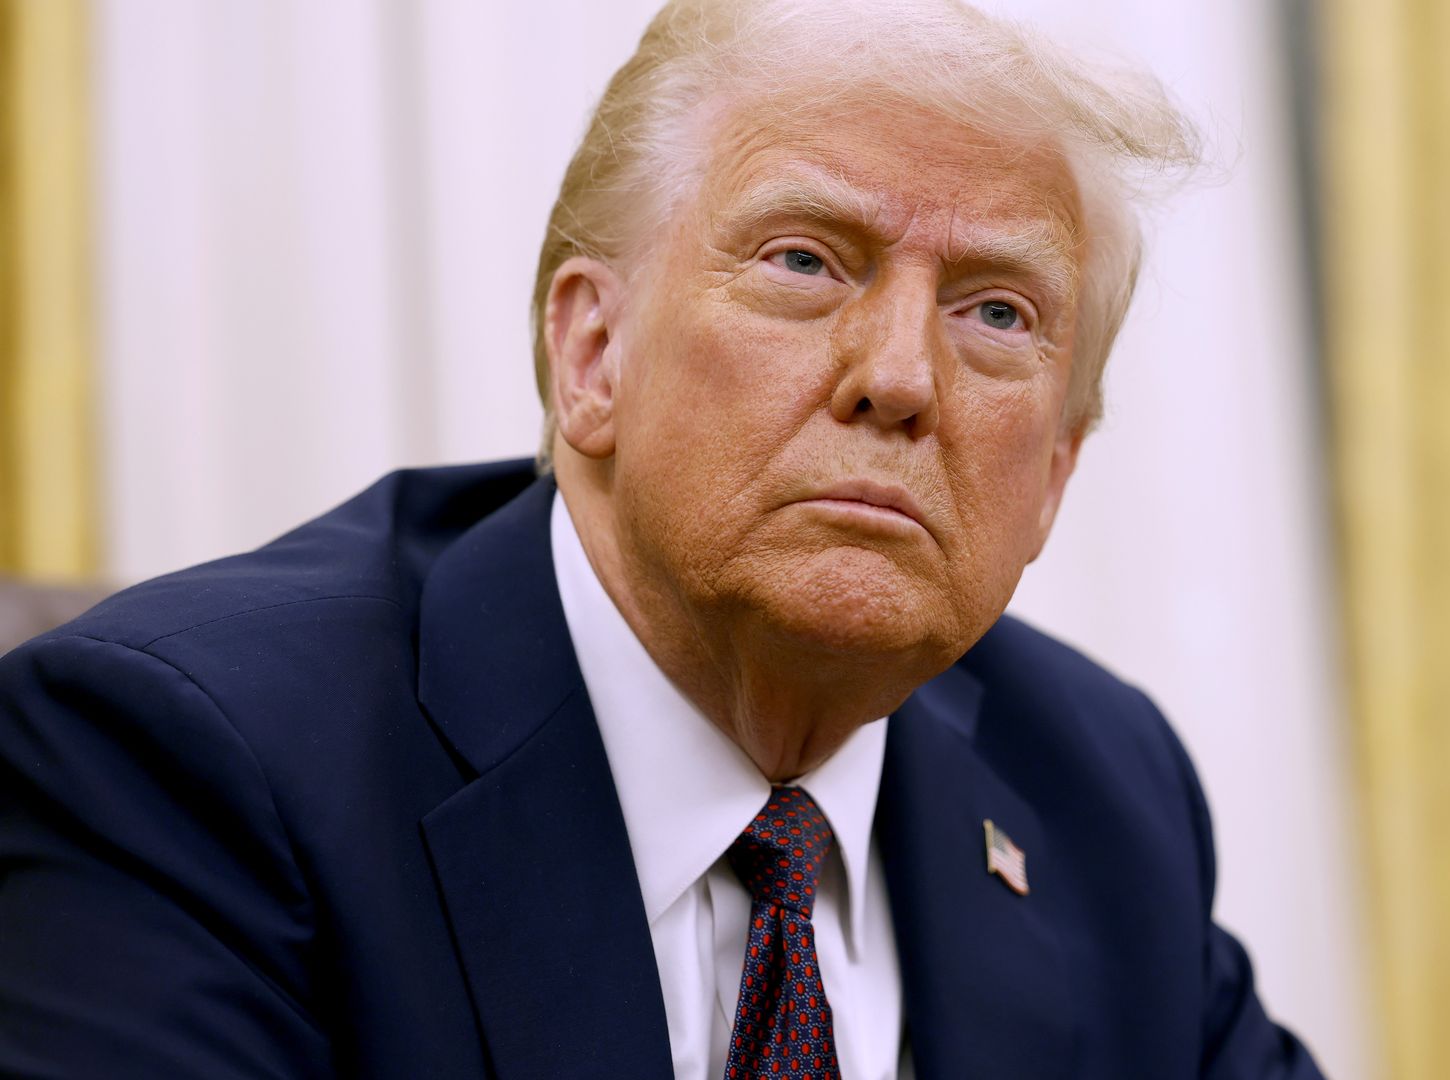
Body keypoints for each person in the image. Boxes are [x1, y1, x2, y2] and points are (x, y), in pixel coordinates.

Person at [0, 1, 1325, 1077]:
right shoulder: (191, 767)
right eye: (806, 260)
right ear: (592, 354)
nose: (900, 377)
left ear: (1055, 471)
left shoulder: (1101, 793)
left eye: (997, 313)